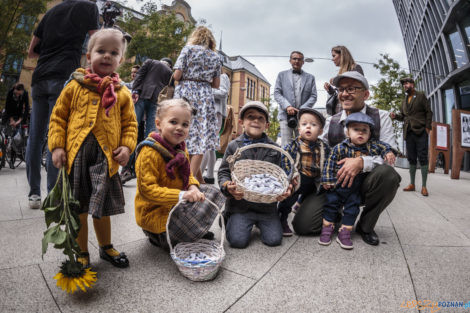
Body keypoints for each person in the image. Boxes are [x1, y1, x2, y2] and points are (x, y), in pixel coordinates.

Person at [48, 28, 138, 269]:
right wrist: (57, 146)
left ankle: (106, 246)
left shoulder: (122, 93)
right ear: (88, 56)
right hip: (77, 156)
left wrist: (127, 148)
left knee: (102, 207)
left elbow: (130, 124)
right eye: (101, 51)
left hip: (105, 159)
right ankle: (81, 251)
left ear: (120, 60)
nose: (107, 56)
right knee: (78, 207)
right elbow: (58, 118)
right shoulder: (74, 86)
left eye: (113, 52)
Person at [292, 71, 401, 246]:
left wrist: (362, 162)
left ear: (365, 94)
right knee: (303, 226)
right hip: (334, 184)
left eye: (351, 89)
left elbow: (390, 156)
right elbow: (320, 152)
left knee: (388, 175)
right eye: (341, 89)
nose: (344, 94)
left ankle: (365, 226)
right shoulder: (331, 121)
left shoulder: (381, 116)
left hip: (365, 182)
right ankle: (336, 213)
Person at [26, 0, 99, 209]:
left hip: (39, 78)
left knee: (35, 135)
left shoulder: (52, 12)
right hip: (63, 75)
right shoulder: (89, 7)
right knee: (56, 135)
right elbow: (97, 42)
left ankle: (33, 195)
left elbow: (32, 51)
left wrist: (50, 53)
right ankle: (54, 195)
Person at [218, 101, 293, 249]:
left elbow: (283, 175)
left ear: (267, 125)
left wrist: (287, 188)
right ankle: (230, 215)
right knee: (237, 241)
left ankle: (264, 221)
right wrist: (227, 186)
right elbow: (224, 171)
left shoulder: (275, 148)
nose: (255, 121)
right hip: (241, 205)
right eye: (250, 117)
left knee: (274, 240)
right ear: (241, 123)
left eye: (260, 118)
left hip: (266, 207)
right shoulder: (234, 146)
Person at [134, 99, 206, 250]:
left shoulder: (181, 149)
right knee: (178, 244)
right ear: (159, 124)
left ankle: (187, 229)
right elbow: (147, 191)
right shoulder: (149, 152)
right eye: (173, 122)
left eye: (185, 124)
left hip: (174, 206)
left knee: (209, 193)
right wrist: (182, 195)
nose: (180, 128)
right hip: (154, 211)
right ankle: (155, 235)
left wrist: (193, 186)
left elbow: (188, 174)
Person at [319, 112, 394, 249]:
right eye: (355, 129)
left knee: (352, 210)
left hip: (355, 189)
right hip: (337, 186)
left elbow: (383, 146)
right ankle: (327, 228)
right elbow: (329, 164)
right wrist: (327, 180)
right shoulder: (340, 148)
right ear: (347, 133)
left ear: (369, 134)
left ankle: (345, 231)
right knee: (330, 205)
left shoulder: (371, 146)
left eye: (364, 130)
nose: (360, 133)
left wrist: (387, 152)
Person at [173, 26, 221, 183]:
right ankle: (199, 182)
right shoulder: (215, 56)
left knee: (184, 133)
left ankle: (188, 182)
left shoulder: (188, 50)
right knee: (200, 137)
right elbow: (216, 84)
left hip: (185, 94)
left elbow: (177, 74)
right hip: (204, 96)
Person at [120, 58, 173, 184]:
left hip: (143, 95)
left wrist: (136, 90)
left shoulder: (150, 62)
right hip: (157, 100)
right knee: (150, 135)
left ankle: (126, 169)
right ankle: (142, 168)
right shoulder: (170, 72)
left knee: (133, 129)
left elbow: (139, 76)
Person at [279, 108, 328, 237]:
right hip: (298, 178)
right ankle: (282, 218)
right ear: (299, 129)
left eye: (313, 125)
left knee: (313, 192)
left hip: (315, 180)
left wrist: (327, 178)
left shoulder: (323, 146)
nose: (308, 127)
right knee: (289, 198)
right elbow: (285, 160)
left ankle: (302, 204)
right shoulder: (293, 146)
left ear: (321, 131)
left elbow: (329, 162)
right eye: (304, 124)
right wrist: (289, 175)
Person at [391, 77, 433, 196]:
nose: (405, 85)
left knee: (423, 157)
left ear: (413, 85)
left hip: (420, 131)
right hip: (408, 133)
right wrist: (395, 116)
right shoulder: (404, 101)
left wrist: (428, 128)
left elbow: (428, 112)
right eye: (404, 84)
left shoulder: (420, 96)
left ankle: (424, 186)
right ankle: (412, 184)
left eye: (407, 83)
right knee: (411, 158)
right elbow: (404, 116)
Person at [274, 51, 317, 148]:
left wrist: (302, 110)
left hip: (302, 118)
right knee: (286, 146)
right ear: (290, 60)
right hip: (285, 117)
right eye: (294, 58)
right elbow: (277, 93)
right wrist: (287, 106)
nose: (297, 61)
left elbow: (313, 96)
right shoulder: (281, 75)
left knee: (303, 145)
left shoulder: (311, 78)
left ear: (303, 62)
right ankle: (286, 163)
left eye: (299, 59)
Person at [201, 69, 231, 184]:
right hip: (211, 111)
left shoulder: (222, 76)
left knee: (206, 144)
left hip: (215, 112)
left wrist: (205, 89)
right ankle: (209, 176)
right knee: (210, 146)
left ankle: (198, 174)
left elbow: (223, 93)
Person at [324, 46, 364, 115]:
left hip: (351, 109)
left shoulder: (355, 68)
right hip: (339, 109)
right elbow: (341, 93)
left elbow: (358, 89)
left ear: (342, 55)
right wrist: (330, 90)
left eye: (334, 56)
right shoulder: (340, 72)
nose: (332, 59)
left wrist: (337, 82)